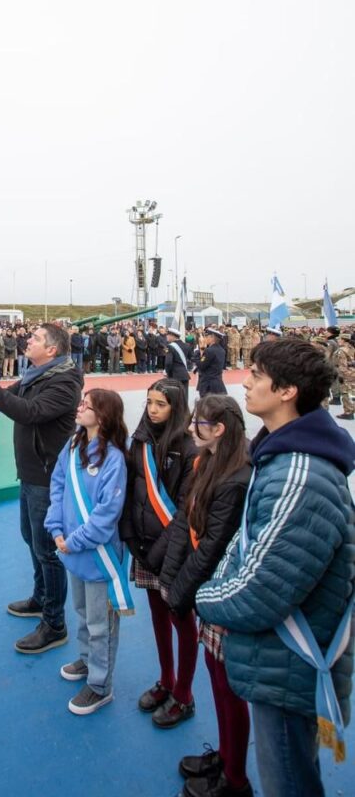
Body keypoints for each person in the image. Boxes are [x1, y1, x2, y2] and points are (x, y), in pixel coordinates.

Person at [196, 338, 355, 797]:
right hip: (278, 656)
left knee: (287, 779)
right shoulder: (279, 457)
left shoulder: (299, 472)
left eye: (257, 375)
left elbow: (262, 587)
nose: (245, 382)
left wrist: (204, 598)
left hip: (288, 657)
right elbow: (250, 542)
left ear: (287, 391)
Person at [0, 323, 83, 653]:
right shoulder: (36, 375)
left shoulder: (64, 382)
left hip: (47, 478)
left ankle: (54, 624)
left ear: (52, 350)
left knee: (47, 550)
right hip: (31, 473)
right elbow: (9, 395)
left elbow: (28, 412)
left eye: (35, 338)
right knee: (31, 539)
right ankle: (41, 598)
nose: (28, 341)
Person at [160, 396, 253, 797]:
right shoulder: (208, 462)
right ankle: (226, 756)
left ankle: (236, 779)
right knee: (217, 679)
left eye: (199, 422)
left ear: (220, 430)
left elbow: (212, 547)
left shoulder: (236, 477)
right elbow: (186, 519)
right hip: (206, 588)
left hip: (219, 590)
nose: (191, 428)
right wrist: (171, 577)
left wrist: (180, 592)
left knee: (228, 687)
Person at [119, 380, 198, 728]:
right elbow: (130, 491)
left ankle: (184, 694)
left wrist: (159, 552)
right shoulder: (139, 441)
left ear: (176, 408)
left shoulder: (190, 449)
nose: (152, 409)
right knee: (157, 617)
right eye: (149, 402)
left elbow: (185, 510)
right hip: (144, 546)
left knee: (182, 620)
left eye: (161, 404)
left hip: (173, 552)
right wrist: (131, 537)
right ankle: (166, 679)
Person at [45, 389, 130, 715]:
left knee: (100, 624)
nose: (79, 408)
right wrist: (56, 527)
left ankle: (100, 685)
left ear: (103, 416)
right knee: (81, 612)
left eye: (87, 405)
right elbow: (58, 486)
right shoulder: (72, 445)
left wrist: (73, 540)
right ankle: (87, 660)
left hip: (97, 555)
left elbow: (107, 515)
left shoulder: (114, 459)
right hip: (72, 550)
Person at [195, 328, 227, 396]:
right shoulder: (222, 350)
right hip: (218, 383)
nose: (205, 338)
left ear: (212, 338)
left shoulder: (209, 350)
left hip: (208, 385)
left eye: (207, 337)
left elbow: (201, 365)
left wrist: (197, 354)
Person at [164, 326, 191, 401]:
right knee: (184, 396)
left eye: (168, 335)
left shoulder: (170, 346)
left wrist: (167, 372)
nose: (167, 337)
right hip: (185, 374)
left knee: (175, 397)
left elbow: (168, 363)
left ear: (172, 336)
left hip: (174, 375)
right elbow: (190, 358)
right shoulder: (186, 345)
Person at [334, 331, 355, 421]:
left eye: (339, 339)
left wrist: (341, 375)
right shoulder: (352, 348)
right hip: (353, 372)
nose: (338, 341)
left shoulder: (341, 350)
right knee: (352, 393)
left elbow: (342, 365)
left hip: (346, 374)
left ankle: (348, 412)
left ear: (343, 340)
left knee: (345, 393)